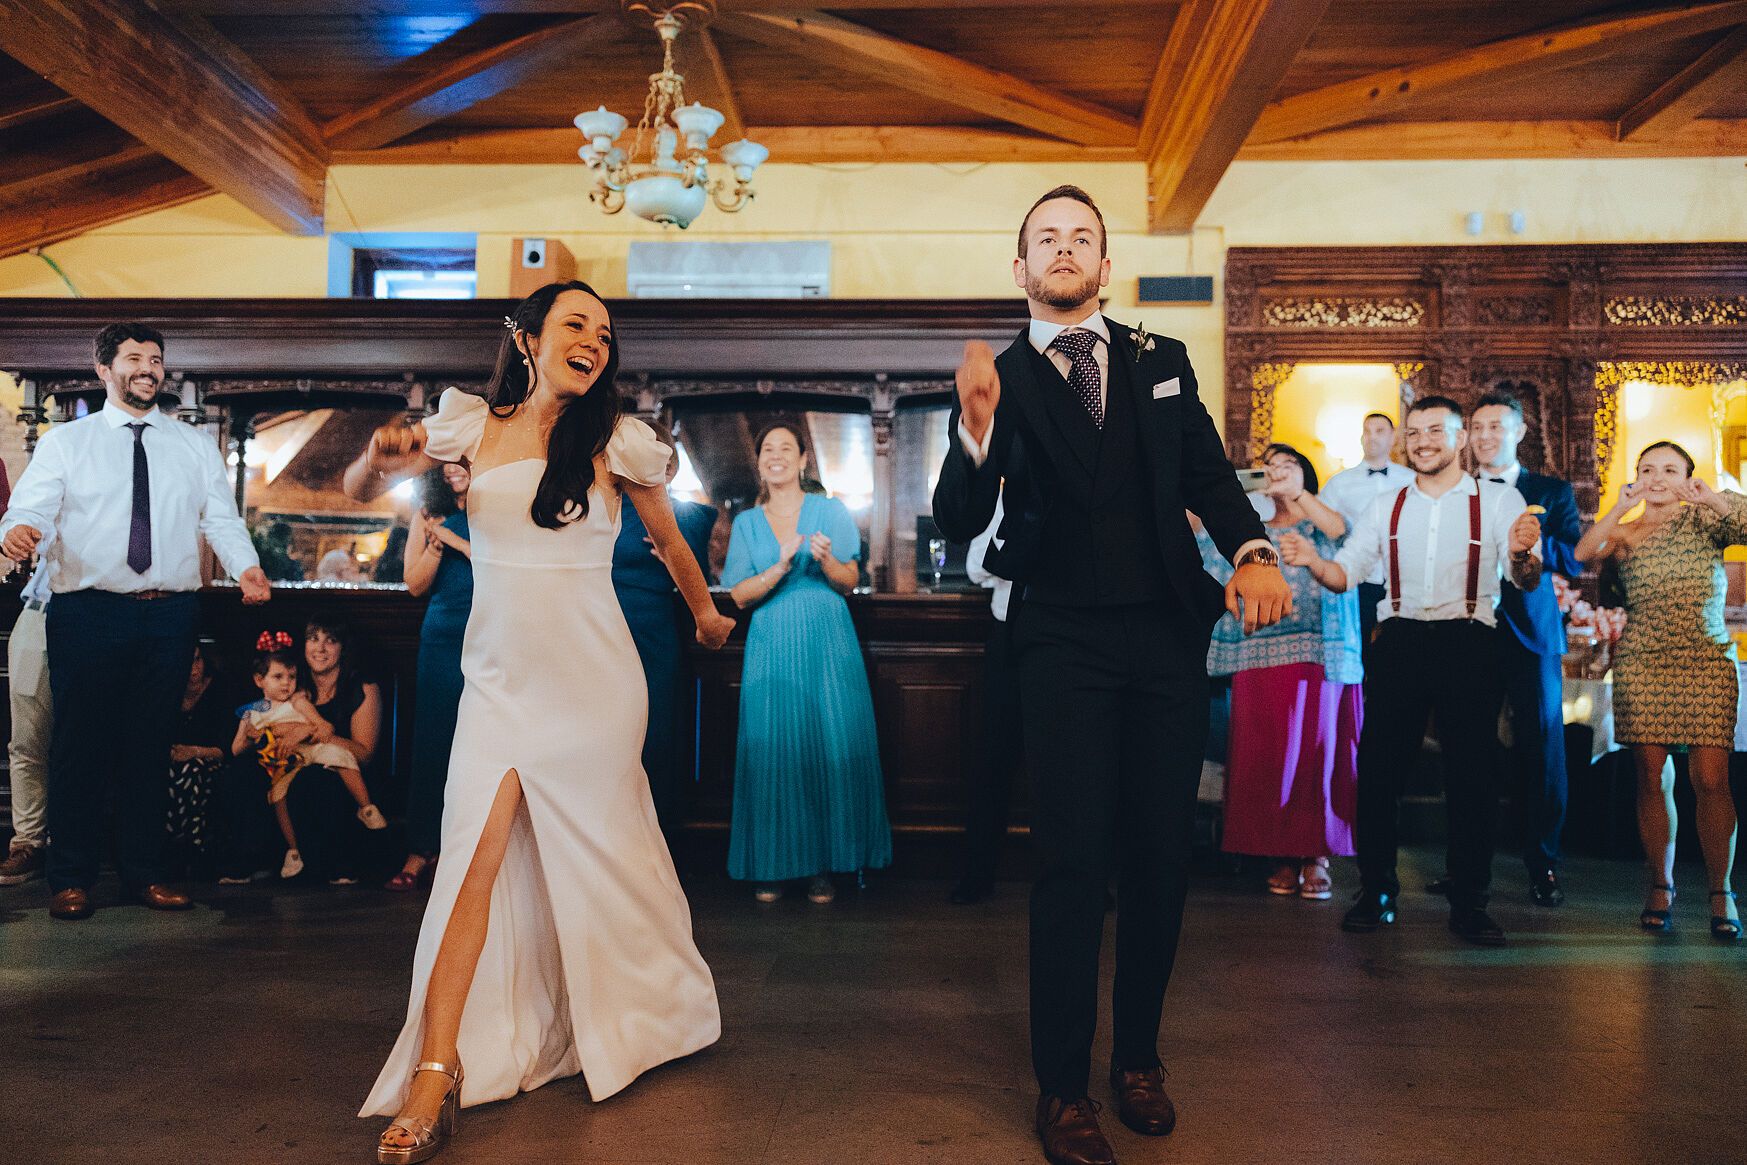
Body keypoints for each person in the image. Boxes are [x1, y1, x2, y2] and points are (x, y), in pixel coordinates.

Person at [932, 185, 1290, 1165]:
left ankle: (1138, 1058)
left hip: (1168, 639)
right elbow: (958, 519)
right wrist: (971, 431)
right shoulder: (997, 378)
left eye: (1079, 236)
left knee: (1159, 858)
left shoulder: (1158, 361)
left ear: (1103, 263)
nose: (1062, 247)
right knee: (1072, 863)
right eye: (1043, 237)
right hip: (1060, 643)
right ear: (1019, 268)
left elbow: (1209, 480)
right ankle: (1062, 1090)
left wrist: (1251, 549)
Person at [346, 280, 735, 1163]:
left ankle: (648, 1005)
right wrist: (378, 457)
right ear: (525, 337)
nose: (594, 340)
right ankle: (434, 1077)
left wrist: (706, 616)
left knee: (608, 862)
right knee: (471, 863)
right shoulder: (467, 425)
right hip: (497, 683)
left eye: (604, 331)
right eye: (575, 324)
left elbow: (670, 545)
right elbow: (363, 482)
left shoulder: (616, 441)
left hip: (594, 684)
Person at [0, 321, 270, 921]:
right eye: (132, 358)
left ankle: (145, 874)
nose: (147, 367)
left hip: (169, 614)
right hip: (88, 612)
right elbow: (29, 508)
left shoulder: (192, 445)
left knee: (150, 747)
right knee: (79, 748)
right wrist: (16, 532)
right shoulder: (68, 443)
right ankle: (69, 879)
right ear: (103, 371)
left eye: (155, 358)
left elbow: (221, 520)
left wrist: (246, 568)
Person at [1280, 395, 1543, 947]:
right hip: (1398, 640)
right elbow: (1345, 573)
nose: (1423, 441)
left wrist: (1523, 554)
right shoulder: (1387, 506)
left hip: (1470, 640)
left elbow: (1523, 579)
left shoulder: (1498, 501)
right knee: (1378, 771)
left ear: (1462, 438)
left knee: (1471, 777)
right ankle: (1376, 890)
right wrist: (1311, 560)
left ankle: (1471, 901)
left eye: (1436, 432)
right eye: (1415, 432)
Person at [1574, 441, 1746, 941]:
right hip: (1643, 661)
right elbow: (1584, 552)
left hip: (1707, 657)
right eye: (1647, 469)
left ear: (1688, 477)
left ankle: (1722, 891)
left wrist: (1711, 497)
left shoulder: (1709, 521)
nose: (1657, 477)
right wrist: (1620, 506)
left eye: (1670, 470)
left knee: (1712, 778)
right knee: (1650, 776)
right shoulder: (1626, 533)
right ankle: (1660, 885)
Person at [723, 422, 890, 904]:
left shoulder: (829, 510)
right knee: (772, 748)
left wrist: (829, 560)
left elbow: (848, 579)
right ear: (759, 463)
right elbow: (738, 594)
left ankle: (825, 866)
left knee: (830, 743)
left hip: (828, 643)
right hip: (771, 642)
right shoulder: (746, 524)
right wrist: (776, 567)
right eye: (767, 449)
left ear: (802, 461)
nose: (776, 455)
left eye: (786, 448)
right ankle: (771, 866)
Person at [1200, 444, 1361, 900]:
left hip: (1318, 657)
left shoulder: (1322, 524)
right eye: (1269, 467)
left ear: (1305, 475)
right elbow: (1201, 548)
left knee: (1317, 756)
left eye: (1287, 465)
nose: (1277, 472)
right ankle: (1281, 855)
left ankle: (1317, 855)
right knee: (1267, 759)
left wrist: (1298, 493)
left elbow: (1345, 535)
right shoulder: (1249, 535)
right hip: (1257, 658)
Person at [1462, 390, 1583, 907]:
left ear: (1519, 432)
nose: (1486, 436)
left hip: (1532, 633)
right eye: (1478, 427)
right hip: (1467, 630)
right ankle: (1466, 866)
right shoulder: (1457, 489)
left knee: (1543, 751)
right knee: (1468, 751)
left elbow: (1575, 559)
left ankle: (1543, 864)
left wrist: (1531, 540)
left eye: (1496, 426)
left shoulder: (1550, 490)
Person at [611, 421, 716, 837]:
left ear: (669, 470)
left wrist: (674, 563)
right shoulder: (599, 505)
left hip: (654, 629)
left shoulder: (685, 517)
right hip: (599, 623)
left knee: (655, 732)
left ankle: (657, 833)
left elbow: (701, 581)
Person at [234, 633, 387, 879]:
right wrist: (255, 735)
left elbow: (352, 746)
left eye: (331, 640)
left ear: (343, 647)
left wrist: (299, 733)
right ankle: (278, 854)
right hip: (283, 761)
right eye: (314, 639)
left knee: (323, 771)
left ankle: (362, 813)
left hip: (323, 757)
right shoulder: (282, 696)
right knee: (264, 784)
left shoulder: (316, 696)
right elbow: (242, 745)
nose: (321, 648)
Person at [389, 462, 475, 892]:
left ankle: (463, 851)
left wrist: (452, 537)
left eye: (463, 459)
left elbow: (497, 563)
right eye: (444, 462)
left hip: (491, 635)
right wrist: (436, 545)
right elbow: (414, 585)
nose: (452, 469)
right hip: (442, 638)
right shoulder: (425, 516)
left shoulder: (500, 513)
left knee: (480, 746)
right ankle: (421, 848)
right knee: (433, 742)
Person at [949, 496, 1021, 906]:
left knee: (1070, 762)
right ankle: (977, 875)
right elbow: (976, 568)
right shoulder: (999, 502)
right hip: (1007, 636)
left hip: (1067, 637)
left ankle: (1086, 880)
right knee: (994, 758)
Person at [1318, 413, 1413, 643]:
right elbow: (1321, 522)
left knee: (1401, 642)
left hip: (1403, 576)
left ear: (1393, 437)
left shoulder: (1412, 479)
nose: (1371, 437)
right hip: (1358, 577)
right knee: (1357, 641)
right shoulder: (1339, 483)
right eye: (1367, 431)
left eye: (1379, 431)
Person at [164, 642, 239, 880]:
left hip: (211, 760)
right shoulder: (167, 693)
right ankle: (169, 848)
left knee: (192, 771)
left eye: (197, 660)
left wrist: (194, 751)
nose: (194, 669)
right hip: (174, 762)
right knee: (164, 773)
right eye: (186, 662)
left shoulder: (219, 689)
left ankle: (193, 847)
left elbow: (228, 748)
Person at [0, 558, 53, 886]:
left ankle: (75, 844)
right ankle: (28, 843)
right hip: (41, 609)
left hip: (108, 612)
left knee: (89, 740)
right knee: (26, 740)